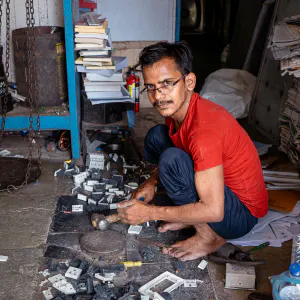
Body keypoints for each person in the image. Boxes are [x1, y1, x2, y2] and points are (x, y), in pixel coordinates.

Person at [117, 41, 268, 261]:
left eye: (167, 83)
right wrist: (152, 182)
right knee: (158, 136)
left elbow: (215, 211)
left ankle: (208, 237)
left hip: (241, 214)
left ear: (189, 81)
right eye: (151, 87)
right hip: (221, 193)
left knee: (172, 160)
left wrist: (149, 213)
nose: (159, 96)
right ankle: (190, 214)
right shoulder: (180, 112)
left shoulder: (204, 130)